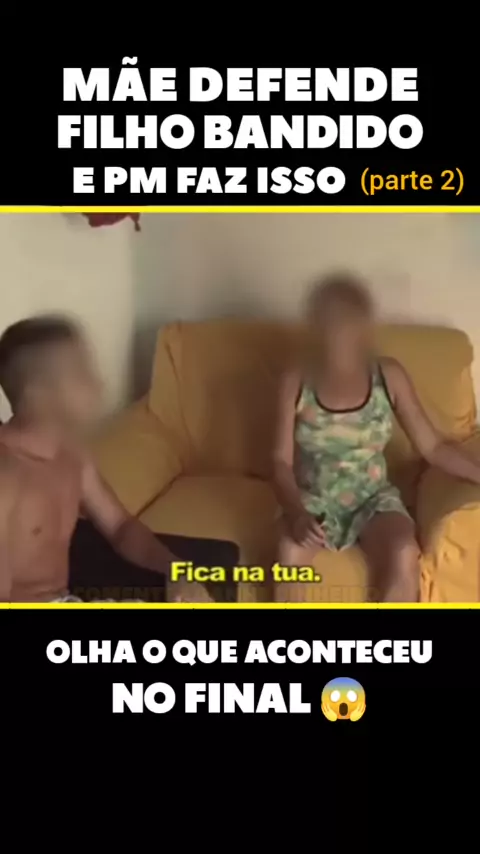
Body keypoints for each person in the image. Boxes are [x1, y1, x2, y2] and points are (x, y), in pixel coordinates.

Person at [273, 272, 480, 602]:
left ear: (363, 331)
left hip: (372, 500)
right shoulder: (295, 380)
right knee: (288, 553)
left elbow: (434, 446)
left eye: (348, 326)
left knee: (403, 552)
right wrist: (297, 514)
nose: (340, 337)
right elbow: (280, 462)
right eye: (331, 325)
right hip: (313, 501)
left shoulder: (389, 376)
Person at [0, 316, 235, 603]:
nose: (98, 384)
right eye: (81, 374)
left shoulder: (73, 456)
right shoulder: (7, 476)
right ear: (40, 395)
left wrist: (177, 572)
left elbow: (121, 528)